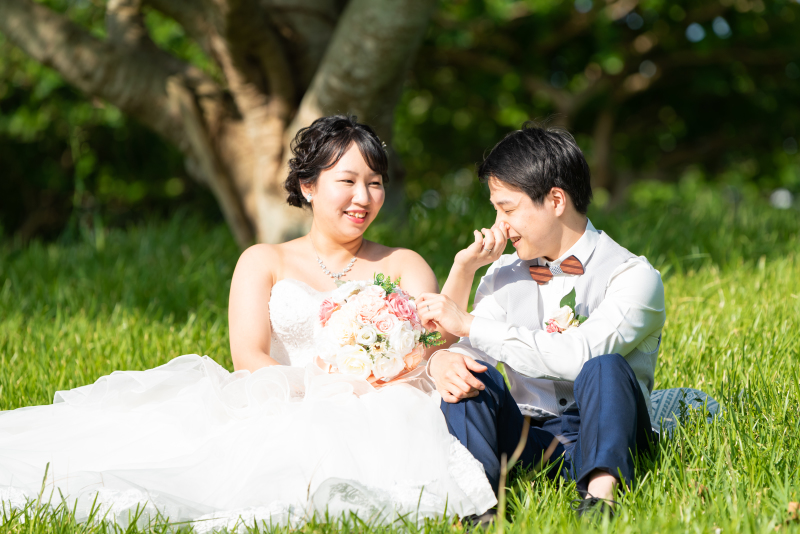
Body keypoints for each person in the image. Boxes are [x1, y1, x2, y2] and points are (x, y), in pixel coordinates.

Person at [0, 116, 495, 530]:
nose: (363, 197)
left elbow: (435, 343)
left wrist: (464, 269)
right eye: (347, 181)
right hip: (284, 398)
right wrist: (329, 388)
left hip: (385, 406)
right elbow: (249, 357)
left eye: (375, 182)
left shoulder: (403, 263)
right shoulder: (263, 260)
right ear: (308, 186)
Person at [416, 123, 666, 519]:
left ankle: (600, 500)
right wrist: (444, 360)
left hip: (612, 432)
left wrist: (469, 325)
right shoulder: (503, 274)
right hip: (530, 438)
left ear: (556, 200)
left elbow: (580, 355)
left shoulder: (634, 276)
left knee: (604, 366)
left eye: (508, 209)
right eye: (496, 210)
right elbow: (472, 350)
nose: (499, 225)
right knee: (469, 377)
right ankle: (480, 507)